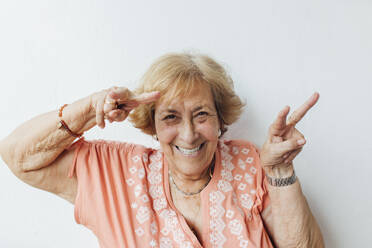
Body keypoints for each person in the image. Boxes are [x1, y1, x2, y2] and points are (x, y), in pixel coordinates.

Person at [0, 52, 324, 248]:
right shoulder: (115, 173)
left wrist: (280, 172)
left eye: (201, 114)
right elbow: (19, 157)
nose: (188, 133)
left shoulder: (249, 163)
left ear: (220, 120)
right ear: (152, 124)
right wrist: (87, 110)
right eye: (170, 116)